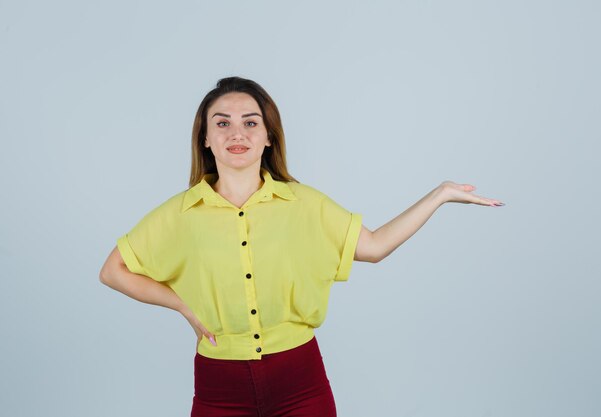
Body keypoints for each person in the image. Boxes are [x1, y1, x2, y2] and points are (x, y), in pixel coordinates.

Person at [99, 76, 505, 417]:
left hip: (300, 381)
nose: (236, 133)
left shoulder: (303, 203)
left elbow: (376, 245)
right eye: (221, 124)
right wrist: (182, 304)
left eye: (250, 123)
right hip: (219, 386)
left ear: (269, 137)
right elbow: (113, 270)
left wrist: (439, 195)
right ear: (205, 138)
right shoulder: (179, 214)